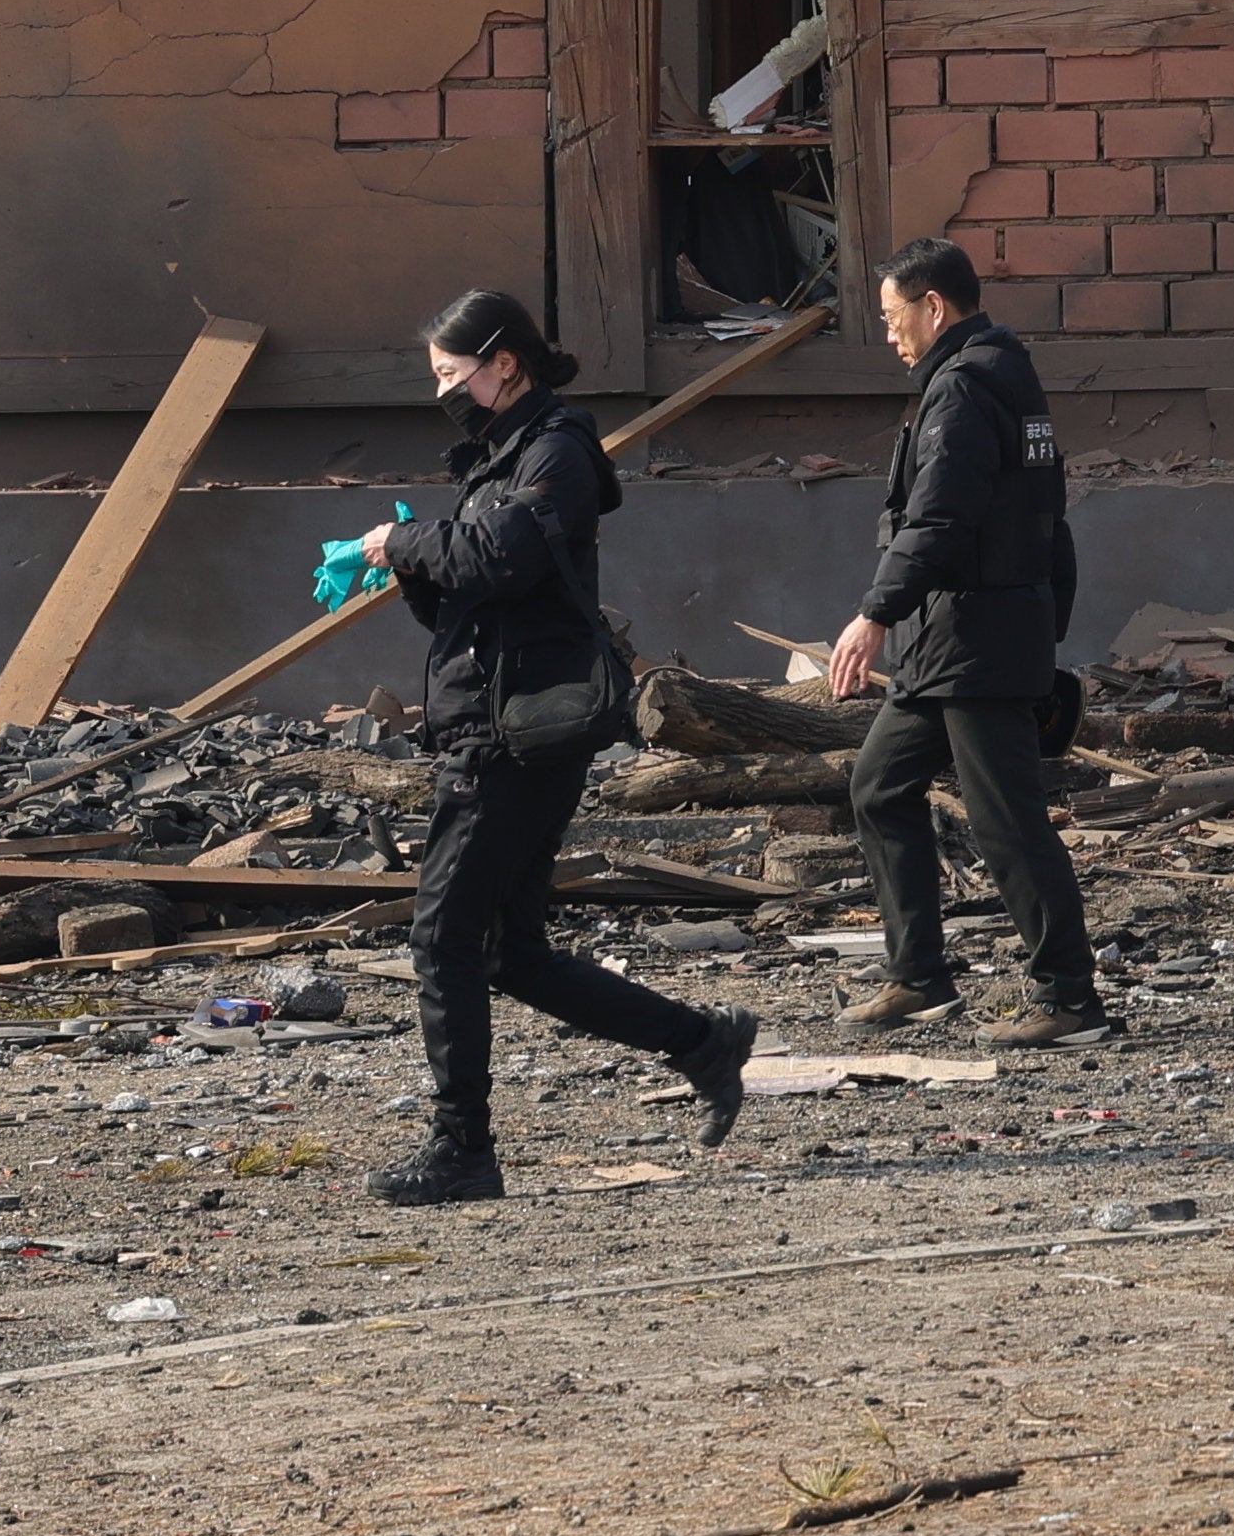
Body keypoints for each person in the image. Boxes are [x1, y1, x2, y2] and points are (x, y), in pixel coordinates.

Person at [360, 287, 758, 1206]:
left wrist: (410, 541)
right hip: (491, 718)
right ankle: (702, 1042)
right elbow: (469, 588)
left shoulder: (558, 450)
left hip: (520, 731)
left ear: (506, 362)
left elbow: (499, 556)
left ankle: (462, 1146)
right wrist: (401, 563)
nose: (444, 394)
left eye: (452, 375)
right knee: (508, 949)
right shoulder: (498, 453)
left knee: (443, 933)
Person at [834, 238, 1106, 1045]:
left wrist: (875, 612)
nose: (889, 335)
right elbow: (1048, 521)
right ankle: (917, 977)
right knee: (879, 786)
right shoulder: (1005, 376)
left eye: (892, 318)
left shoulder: (962, 390)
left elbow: (942, 520)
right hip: (966, 634)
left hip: (977, 634)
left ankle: (1071, 998)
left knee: (1007, 822)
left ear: (934, 308)